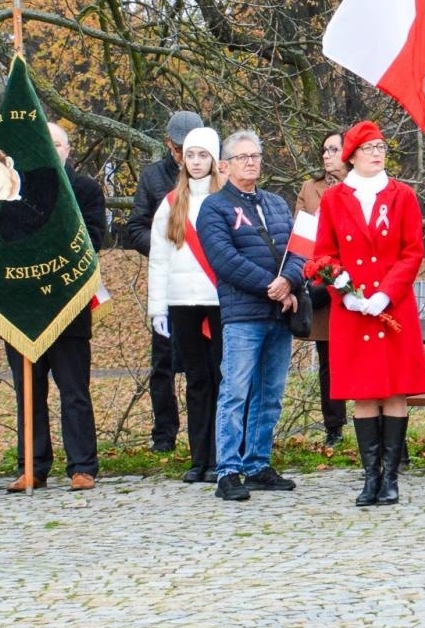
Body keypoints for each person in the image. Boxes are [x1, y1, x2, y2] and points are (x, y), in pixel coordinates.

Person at [314, 121, 425, 507]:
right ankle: (370, 477)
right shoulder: (334, 199)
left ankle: (392, 478)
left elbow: (412, 251)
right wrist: (342, 290)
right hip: (353, 311)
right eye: (368, 148)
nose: (377, 153)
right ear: (351, 156)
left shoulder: (402, 195)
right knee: (363, 392)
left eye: (381, 147)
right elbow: (324, 254)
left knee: (395, 390)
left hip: (391, 307)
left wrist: (386, 294)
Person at [196, 129, 306, 502]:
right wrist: (270, 286)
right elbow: (225, 259)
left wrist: (289, 282)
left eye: (256, 155)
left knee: (270, 393)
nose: (252, 162)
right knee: (236, 392)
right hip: (244, 314)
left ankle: (258, 463)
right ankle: (228, 470)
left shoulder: (276, 203)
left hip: (279, 312)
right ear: (225, 165)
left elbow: (299, 249)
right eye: (243, 157)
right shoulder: (214, 208)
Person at [3, 122, 106, 492]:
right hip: (22, 307)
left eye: (58, 143)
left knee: (74, 390)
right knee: (29, 391)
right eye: (44, 143)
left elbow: (93, 240)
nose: (51, 149)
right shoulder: (11, 189)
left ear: (68, 150)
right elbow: (2, 242)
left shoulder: (86, 190)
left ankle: (82, 466)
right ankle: (32, 466)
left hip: (67, 304)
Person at [148, 126, 224, 483]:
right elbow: (159, 259)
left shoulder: (225, 199)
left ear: (214, 159)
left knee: (221, 377)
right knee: (196, 380)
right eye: (190, 155)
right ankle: (198, 459)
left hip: (219, 301)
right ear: (182, 158)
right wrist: (157, 308)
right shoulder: (170, 204)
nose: (196, 162)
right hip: (182, 303)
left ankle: (221, 455)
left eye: (203, 155)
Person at [126, 109, 204, 452]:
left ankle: (203, 436)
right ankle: (164, 434)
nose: (185, 156)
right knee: (163, 364)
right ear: (168, 145)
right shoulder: (153, 177)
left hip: (203, 281)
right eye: (179, 149)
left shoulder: (213, 177)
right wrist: (165, 249)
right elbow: (136, 227)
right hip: (169, 281)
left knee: (204, 363)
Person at [296, 130, 349, 448]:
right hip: (323, 282)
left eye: (334, 149)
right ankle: (334, 428)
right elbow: (298, 237)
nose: (327, 155)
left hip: (356, 281)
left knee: (359, 355)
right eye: (324, 150)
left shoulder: (361, 184)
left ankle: (373, 420)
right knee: (328, 358)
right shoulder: (310, 188)